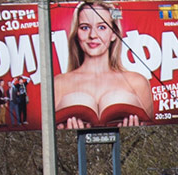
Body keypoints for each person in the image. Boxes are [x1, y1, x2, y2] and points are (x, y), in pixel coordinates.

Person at [53, 1, 154, 129]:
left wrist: (131, 132)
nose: (93, 35)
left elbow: (151, 134)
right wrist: (68, 136)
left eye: (102, 27)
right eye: (85, 27)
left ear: (113, 34)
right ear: (76, 33)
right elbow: (46, 137)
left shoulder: (138, 83)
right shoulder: (58, 84)